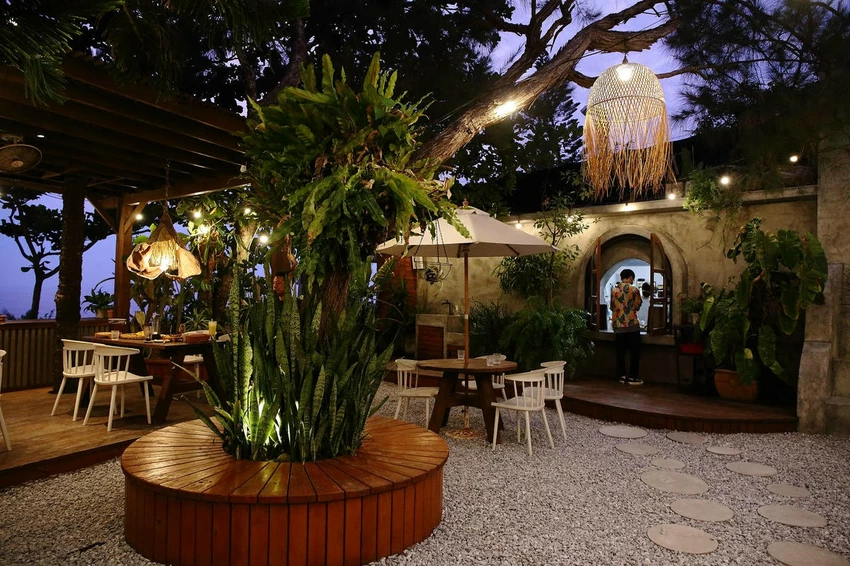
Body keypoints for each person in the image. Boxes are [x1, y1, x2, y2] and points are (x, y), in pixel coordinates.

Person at [610, 268, 643, 385]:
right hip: (632, 325)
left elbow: (612, 307)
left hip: (618, 326)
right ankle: (633, 377)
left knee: (620, 353)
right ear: (630, 277)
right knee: (634, 353)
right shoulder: (634, 289)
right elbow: (637, 306)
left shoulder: (614, 290)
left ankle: (622, 376)